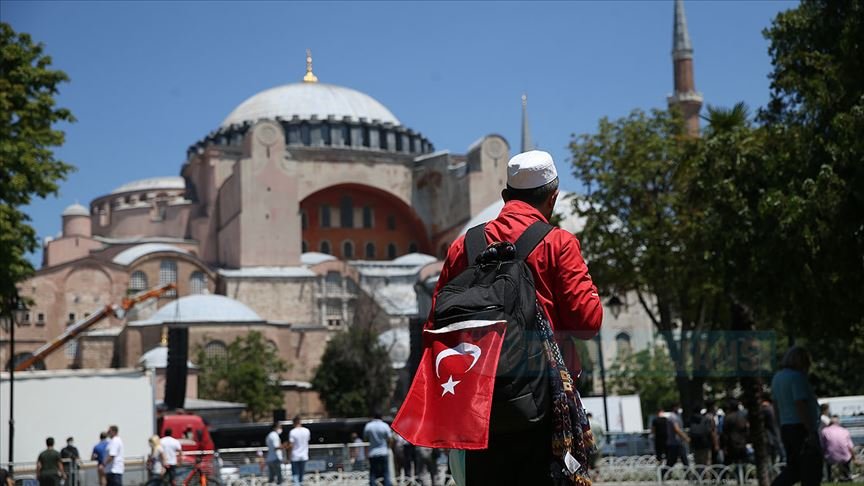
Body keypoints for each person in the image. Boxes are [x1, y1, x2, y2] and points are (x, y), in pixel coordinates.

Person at [431, 150, 603, 484]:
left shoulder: (464, 246)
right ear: (552, 197)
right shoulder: (558, 243)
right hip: (542, 407)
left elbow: (436, 322)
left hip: (476, 402)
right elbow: (587, 322)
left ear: (506, 196)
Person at [770, 346, 822, 486]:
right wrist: (810, 430)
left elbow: (775, 405)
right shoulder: (797, 377)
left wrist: (780, 426)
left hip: (787, 427)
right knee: (811, 469)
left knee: (794, 468)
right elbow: (800, 404)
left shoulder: (777, 378)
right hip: (801, 427)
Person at [820, 415, 856, 482]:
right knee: (847, 457)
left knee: (827, 461)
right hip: (844, 457)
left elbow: (823, 446)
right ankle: (847, 475)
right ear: (839, 423)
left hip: (830, 457)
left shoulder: (824, 431)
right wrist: (854, 458)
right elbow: (851, 447)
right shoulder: (845, 431)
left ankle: (829, 477)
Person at [364, 412, 393, 486]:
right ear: (381, 417)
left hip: (372, 452)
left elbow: (365, 438)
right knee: (385, 472)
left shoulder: (369, 426)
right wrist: (388, 447)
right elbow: (390, 438)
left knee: (373, 473)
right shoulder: (385, 426)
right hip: (383, 452)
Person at [722, 399, 750, 465]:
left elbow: (725, 434)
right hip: (742, 443)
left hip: (732, 445)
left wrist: (724, 446)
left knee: (730, 464)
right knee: (744, 463)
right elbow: (746, 429)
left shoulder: (728, 418)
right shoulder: (742, 417)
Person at [761, 393, 785, 464]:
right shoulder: (774, 408)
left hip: (771, 437)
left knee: (772, 458)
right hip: (779, 435)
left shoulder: (764, 410)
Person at [287, 416, 311, 486]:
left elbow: (291, 445)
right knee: (301, 475)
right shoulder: (307, 431)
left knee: (295, 475)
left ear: (293, 423)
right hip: (304, 455)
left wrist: (288, 456)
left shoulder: (292, 432)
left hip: (295, 455)